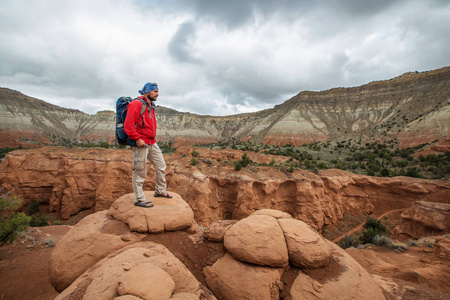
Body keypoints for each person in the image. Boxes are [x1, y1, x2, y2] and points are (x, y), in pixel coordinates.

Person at [124, 82, 172, 208]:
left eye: (158, 91)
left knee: (161, 165)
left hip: (152, 142)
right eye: (155, 91)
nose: (158, 93)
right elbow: (128, 126)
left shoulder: (150, 105)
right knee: (140, 170)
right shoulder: (137, 104)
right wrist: (137, 139)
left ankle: (160, 190)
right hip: (141, 142)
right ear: (147, 92)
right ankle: (139, 199)